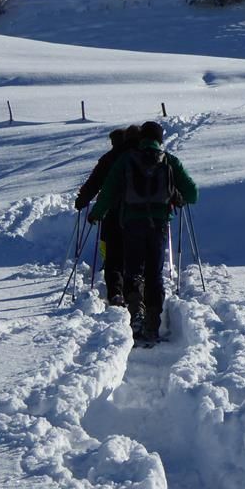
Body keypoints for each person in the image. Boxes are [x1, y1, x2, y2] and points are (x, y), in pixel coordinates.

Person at [88, 121, 197, 342]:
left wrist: (97, 213)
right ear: (160, 139)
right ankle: (152, 323)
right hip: (159, 224)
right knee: (154, 274)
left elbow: (108, 191)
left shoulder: (126, 160)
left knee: (133, 270)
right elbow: (192, 194)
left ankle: (136, 312)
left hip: (131, 223)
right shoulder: (169, 160)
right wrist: (176, 195)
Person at [75, 125, 139, 305]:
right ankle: (135, 291)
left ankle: (116, 292)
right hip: (141, 215)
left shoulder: (110, 158)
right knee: (136, 254)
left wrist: (83, 200)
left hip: (113, 212)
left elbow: (95, 183)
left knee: (113, 256)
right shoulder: (143, 156)